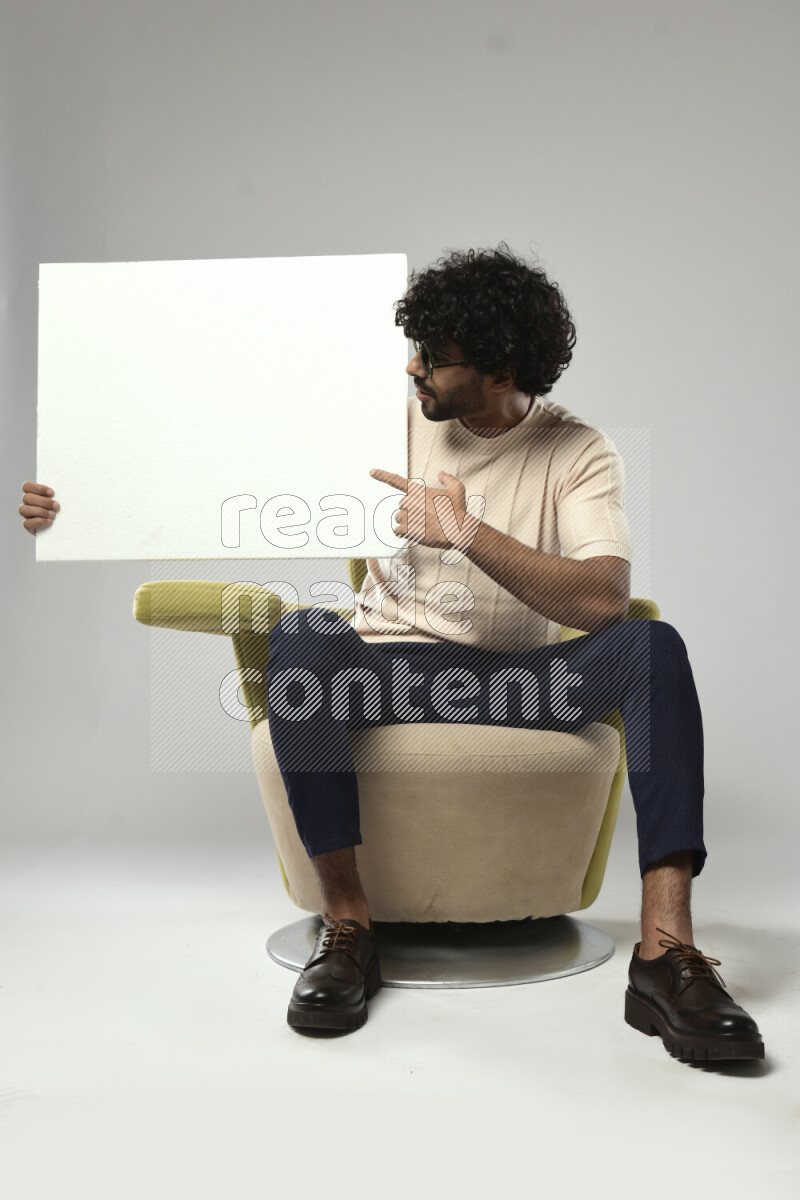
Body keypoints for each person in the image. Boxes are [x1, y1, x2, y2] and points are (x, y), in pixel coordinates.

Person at [20, 242, 765, 1063]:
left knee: (651, 646)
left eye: (435, 358)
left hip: (518, 684)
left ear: (501, 369)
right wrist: (77, 502)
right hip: (388, 672)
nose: (413, 367)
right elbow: (211, 464)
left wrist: (466, 532)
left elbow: (602, 600)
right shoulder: (384, 419)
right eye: (415, 347)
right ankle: (348, 926)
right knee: (303, 634)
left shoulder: (579, 451)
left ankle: (666, 955)